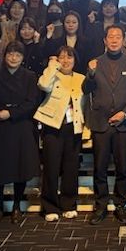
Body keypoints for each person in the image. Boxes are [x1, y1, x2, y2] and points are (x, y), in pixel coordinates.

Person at [82, 25, 126, 225]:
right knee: (99, 167)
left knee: (123, 167)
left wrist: (124, 113)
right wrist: (90, 73)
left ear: (123, 41)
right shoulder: (95, 63)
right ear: (105, 41)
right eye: (111, 37)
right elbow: (86, 89)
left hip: (123, 124)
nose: (114, 40)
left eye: (118, 37)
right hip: (101, 123)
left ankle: (120, 204)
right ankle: (100, 205)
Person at [0, 41, 41, 224]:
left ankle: (16, 206)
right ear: (4, 56)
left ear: (23, 58)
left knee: (20, 167)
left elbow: (32, 102)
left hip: (20, 123)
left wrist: (11, 113)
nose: (13, 58)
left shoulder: (29, 76)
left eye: (18, 55)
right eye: (10, 54)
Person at [35, 46, 88, 221]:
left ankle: (69, 204)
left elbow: (85, 104)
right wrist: (52, 66)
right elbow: (43, 85)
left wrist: (86, 129)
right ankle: (49, 206)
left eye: (69, 57)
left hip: (74, 127)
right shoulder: (52, 74)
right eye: (62, 57)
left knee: (71, 168)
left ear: (75, 60)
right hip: (53, 126)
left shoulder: (80, 78)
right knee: (51, 167)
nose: (66, 61)